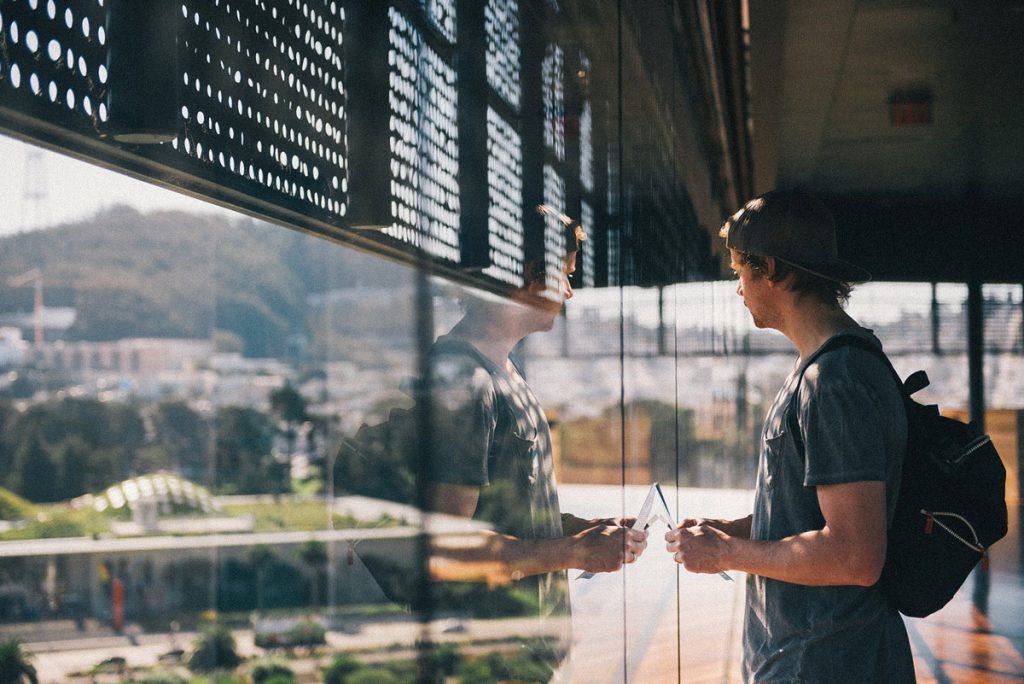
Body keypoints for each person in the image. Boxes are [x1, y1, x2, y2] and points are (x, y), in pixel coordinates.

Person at [665, 190, 915, 682]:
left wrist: (727, 553)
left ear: (771, 269)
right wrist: (735, 529)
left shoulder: (835, 381)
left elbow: (856, 555)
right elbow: (815, 513)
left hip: (823, 663)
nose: (737, 288)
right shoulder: (828, 367)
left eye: (739, 270)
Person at [426, 223, 648, 581]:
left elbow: (512, 514)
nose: (570, 292)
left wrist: (586, 530)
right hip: (496, 632)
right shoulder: (465, 381)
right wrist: (574, 551)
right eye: (565, 274)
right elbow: (446, 545)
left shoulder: (503, 371)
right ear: (533, 274)